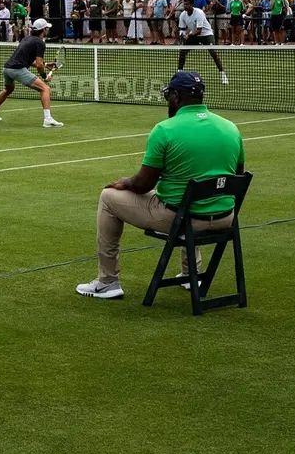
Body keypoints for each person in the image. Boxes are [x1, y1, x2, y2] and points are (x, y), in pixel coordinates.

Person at [77, 70, 245, 299]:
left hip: (184, 219)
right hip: (225, 217)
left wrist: (124, 182)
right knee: (190, 195)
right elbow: (237, 175)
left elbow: (143, 185)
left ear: (175, 96)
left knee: (108, 197)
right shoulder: (231, 128)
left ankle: (108, 282)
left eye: (169, 96)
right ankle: (191, 274)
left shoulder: (165, 130)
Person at [0, 17, 62, 128]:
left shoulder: (26, 39)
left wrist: (45, 64)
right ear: (43, 30)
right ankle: (48, 119)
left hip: (7, 69)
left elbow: (29, 60)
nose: (47, 30)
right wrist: (44, 76)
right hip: (17, 69)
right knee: (45, 89)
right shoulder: (40, 43)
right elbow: (38, 65)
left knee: (8, 89)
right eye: (46, 28)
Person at [176, 0, 228, 83]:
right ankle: (179, 73)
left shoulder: (199, 13)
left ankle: (223, 74)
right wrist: (182, 35)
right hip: (193, 34)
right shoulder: (182, 15)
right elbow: (182, 29)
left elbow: (199, 30)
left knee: (214, 53)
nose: (185, 6)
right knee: (182, 52)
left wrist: (188, 35)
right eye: (184, 4)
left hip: (206, 34)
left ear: (192, 5)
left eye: (187, 4)